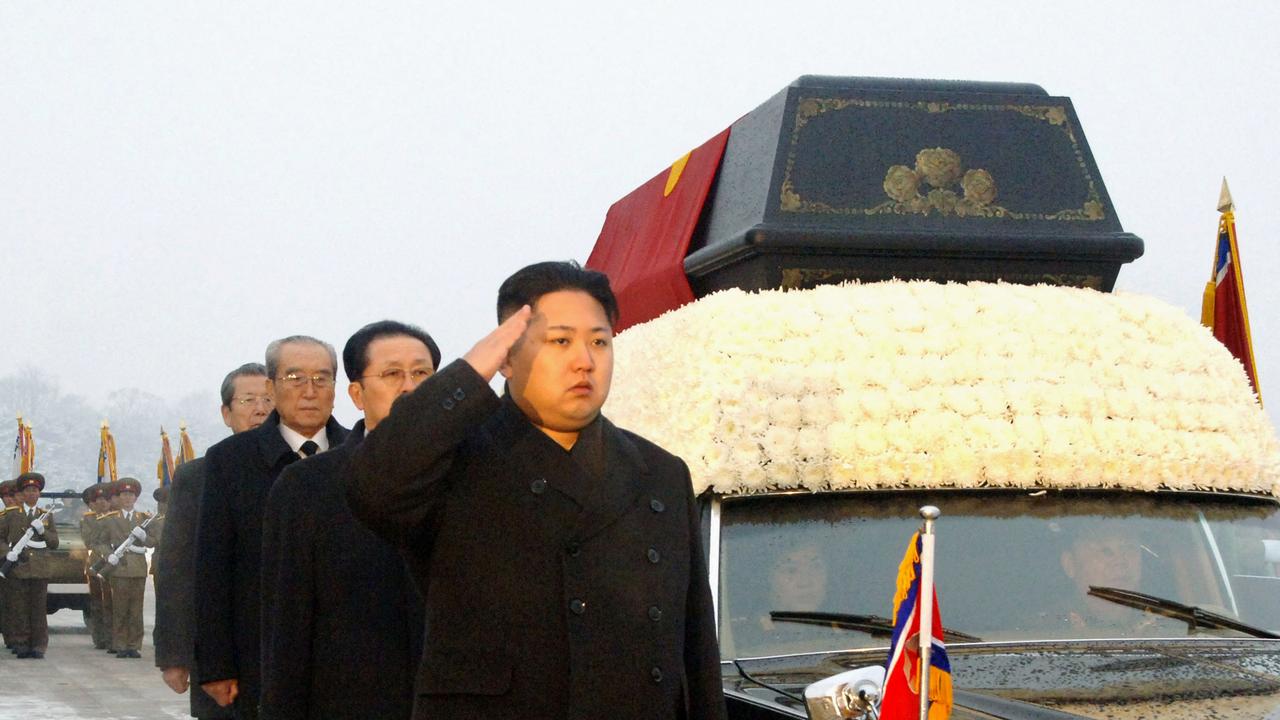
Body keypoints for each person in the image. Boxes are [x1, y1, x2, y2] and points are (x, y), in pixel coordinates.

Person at [347, 261, 726, 720]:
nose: (584, 360)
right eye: (560, 341)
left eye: (599, 342)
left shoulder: (659, 471)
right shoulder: (454, 460)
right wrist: (469, 374)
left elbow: (695, 646)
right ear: (505, 357)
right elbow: (373, 485)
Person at [260, 321, 439, 720]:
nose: (409, 387)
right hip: (348, 699)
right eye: (392, 374)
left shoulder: (474, 476)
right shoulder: (308, 486)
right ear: (357, 394)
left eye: (422, 374)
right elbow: (286, 625)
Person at [197, 339, 347, 719]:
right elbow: (213, 566)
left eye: (321, 378)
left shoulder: (363, 452)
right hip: (259, 650)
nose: (309, 391)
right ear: (270, 386)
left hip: (348, 650)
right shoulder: (231, 461)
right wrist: (215, 664)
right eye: (294, 377)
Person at [155, 362, 271, 720]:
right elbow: (175, 569)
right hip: (222, 652)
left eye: (269, 399)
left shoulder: (310, 469)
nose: (260, 409)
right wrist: (174, 655)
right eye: (248, 400)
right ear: (226, 413)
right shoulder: (198, 477)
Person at [2, 472, 60, 659]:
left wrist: (43, 531)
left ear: (39, 494)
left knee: (38, 609)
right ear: (22, 493)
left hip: (39, 568)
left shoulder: (46, 516)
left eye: (35, 490)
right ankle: (21, 643)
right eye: (28, 490)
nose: (32, 494)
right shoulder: (10, 515)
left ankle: (39, 645)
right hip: (18, 568)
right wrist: (6, 553)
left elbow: (54, 542)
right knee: (19, 608)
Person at [98, 477, 157, 659]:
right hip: (119, 568)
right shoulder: (110, 519)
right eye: (124, 494)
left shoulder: (144, 518)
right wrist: (109, 555)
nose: (128, 498)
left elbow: (154, 541)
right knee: (120, 608)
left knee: (136, 609)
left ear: (136, 497)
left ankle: (134, 644)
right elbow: (100, 542)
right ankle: (120, 644)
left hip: (138, 568)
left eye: (131, 494)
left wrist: (144, 536)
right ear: (119, 497)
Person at [80, 483, 112, 649]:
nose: (103, 503)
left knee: (112, 604)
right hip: (96, 564)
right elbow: (90, 540)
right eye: (99, 500)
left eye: (106, 500)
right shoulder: (88, 519)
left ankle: (112, 638)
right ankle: (100, 638)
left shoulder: (116, 516)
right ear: (92, 503)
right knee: (98, 604)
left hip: (114, 566)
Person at [0, 480, 19, 651]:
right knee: (6, 603)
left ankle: (17, 638)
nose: (9, 500)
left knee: (19, 604)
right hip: (3, 564)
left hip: (22, 565)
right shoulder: (2, 517)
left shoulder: (26, 516)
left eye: (12, 495)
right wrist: (7, 552)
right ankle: (10, 636)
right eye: (5, 496)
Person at [149, 485, 167, 594]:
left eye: (164, 503)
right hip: (158, 563)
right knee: (160, 597)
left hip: (175, 563)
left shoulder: (180, 521)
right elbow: (151, 542)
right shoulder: (153, 521)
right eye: (159, 503)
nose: (161, 506)